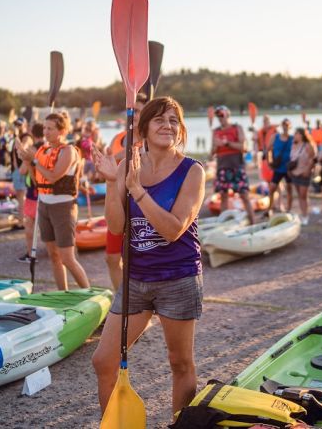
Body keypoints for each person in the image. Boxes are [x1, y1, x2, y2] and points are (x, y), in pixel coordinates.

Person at [91, 97, 205, 416]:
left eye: (173, 120)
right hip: (136, 279)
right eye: (159, 120)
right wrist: (114, 181)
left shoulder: (192, 171)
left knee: (179, 362)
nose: (167, 125)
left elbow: (173, 230)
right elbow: (116, 226)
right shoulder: (129, 165)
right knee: (103, 360)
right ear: (143, 128)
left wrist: (137, 190)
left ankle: (179, 423)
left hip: (178, 279)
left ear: (181, 129)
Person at [16, 113, 89, 291]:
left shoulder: (68, 151)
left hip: (63, 207)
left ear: (62, 131)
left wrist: (34, 160)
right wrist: (28, 162)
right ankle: (62, 294)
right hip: (44, 205)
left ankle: (89, 293)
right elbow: (36, 181)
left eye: (50, 128)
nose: (46, 132)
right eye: (45, 128)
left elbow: (55, 176)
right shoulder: (43, 151)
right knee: (54, 256)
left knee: (67, 258)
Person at [104, 92, 149, 290]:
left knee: (140, 261)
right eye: (130, 111)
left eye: (137, 111)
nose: (133, 115)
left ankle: (143, 303)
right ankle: (121, 301)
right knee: (111, 259)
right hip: (117, 204)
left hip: (141, 206)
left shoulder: (150, 141)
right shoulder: (118, 138)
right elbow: (110, 167)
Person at [210, 105, 255, 224]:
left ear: (227, 115)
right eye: (218, 115)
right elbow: (212, 153)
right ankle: (222, 226)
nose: (220, 118)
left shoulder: (237, 128)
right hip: (222, 167)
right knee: (223, 197)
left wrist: (226, 143)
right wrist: (216, 146)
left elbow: (244, 147)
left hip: (237, 167)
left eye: (222, 115)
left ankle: (253, 223)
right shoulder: (216, 131)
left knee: (244, 196)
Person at [18, 122, 47, 263]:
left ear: (32, 133)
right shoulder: (47, 148)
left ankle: (31, 254)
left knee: (29, 223)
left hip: (33, 190)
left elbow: (22, 171)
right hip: (46, 189)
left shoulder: (32, 149)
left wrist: (25, 160)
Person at [288, 127, 316, 225]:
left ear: (301, 135)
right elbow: (291, 158)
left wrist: (308, 170)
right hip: (295, 173)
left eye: (296, 134)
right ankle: (303, 213)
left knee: (303, 195)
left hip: (304, 173)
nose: (294, 135)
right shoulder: (293, 145)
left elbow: (313, 158)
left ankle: (305, 215)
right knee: (300, 195)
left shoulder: (307, 145)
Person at [266, 118, 294, 214]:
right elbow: (268, 149)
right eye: (284, 124)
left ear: (290, 126)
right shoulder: (275, 137)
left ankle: (289, 209)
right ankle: (270, 209)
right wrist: (269, 162)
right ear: (281, 126)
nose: (285, 126)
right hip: (278, 168)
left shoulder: (292, 138)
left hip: (288, 168)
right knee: (272, 188)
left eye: (287, 125)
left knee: (289, 189)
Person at [9, 118, 31, 224]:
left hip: (21, 169)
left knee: (21, 196)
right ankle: (22, 218)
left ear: (25, 125)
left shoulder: (26, 137)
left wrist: (16, 136)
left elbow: (21, 148)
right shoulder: (18, 137)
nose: (17, 127)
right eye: (16, 125)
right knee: (20, 196)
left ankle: (22, 220)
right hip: (17, 169)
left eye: (19, 125)